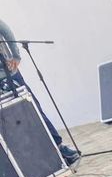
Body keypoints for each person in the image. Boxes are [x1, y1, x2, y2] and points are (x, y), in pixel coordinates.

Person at [0, 17, 79, 165]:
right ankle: (31, 162)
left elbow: (6, 30)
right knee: (9, 124)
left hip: (10, 75)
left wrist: (15, 56)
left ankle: (59, 148)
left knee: (33, 111)